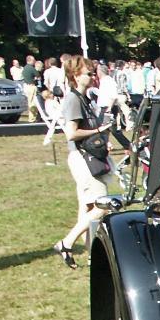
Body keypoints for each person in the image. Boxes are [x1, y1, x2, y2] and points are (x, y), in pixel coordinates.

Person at [55, 56, 116, 268]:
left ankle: (91, 252)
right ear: (75, 76)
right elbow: (71, 134)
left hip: (88, 155)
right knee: (102, 205)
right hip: (82, 159)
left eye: (92, 73)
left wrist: (101, 139)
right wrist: (98, 131)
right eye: (88, 73)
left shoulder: (85, 98)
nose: (92, 76)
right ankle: (66, 243)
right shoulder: (73, 99)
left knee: (87, 205)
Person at [20, 55, 40, 122]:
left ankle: (32, 117)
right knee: (33, 103)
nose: (34, 61)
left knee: (29, 102)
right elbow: (38, 76)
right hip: (32, 86)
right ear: (30, 61)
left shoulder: (24, 68)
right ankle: (32, 118)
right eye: (34, 60)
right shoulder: (31, 68)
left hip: (26, 86)